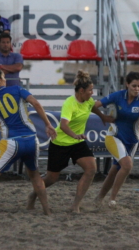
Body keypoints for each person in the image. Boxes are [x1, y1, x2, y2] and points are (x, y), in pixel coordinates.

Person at [0, 67, 57, 218]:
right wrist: (48, 124)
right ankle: (47, 211)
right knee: (35, 176)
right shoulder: (17, 89)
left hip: (11, 142)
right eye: (4, 76)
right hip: (31, 139)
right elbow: (37, 104)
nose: (6, 78)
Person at [27, 70, 114, 213]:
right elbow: (63, 125)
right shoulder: (70, 103)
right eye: (90, 90)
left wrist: (103, 117)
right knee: (51, 178)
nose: (92, 93)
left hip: (77, 143)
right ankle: (34, 194)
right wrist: (75, 135)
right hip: (60, 143)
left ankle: (75, 205)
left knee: (91, 169)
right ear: (81, 90)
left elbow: (92, 106)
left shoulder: (88, 101)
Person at [94, 72, 139, 208]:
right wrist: (103, 117)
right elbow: (93, 106)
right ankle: (112, 199)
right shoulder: (118, 96)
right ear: (127, 84)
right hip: (114, 136)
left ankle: (99, 198)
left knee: (116, 169)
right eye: (134, 86)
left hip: (132, 141)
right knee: (127, 165)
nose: (137, 89)